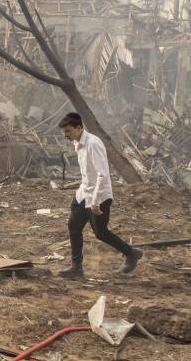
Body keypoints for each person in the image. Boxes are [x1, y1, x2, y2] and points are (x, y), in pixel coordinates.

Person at [57, 112, 142, 279]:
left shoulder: (93, 144)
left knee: (101, 232)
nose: (65, 135)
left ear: (79, 127)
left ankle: (131, 253)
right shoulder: (78, 142)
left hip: (99, 196)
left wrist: (95, 203)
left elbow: (102, 175)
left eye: (68, 131)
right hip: (84, 193)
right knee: (73, 226)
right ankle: (76, 268)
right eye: (64, 132)